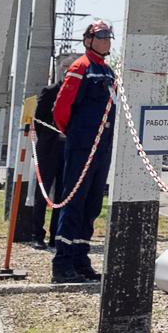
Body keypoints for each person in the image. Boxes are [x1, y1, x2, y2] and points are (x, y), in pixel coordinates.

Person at [51, 20, 116, 284]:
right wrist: (78, 134)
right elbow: (61, 108)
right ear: (88, 39)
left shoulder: (108, 71)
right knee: (74, 202)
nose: (106, 40)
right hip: (82, 145)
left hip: (103, 146)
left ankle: (80, 258)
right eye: (101, 35)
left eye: (109, 36)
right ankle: (63, 262)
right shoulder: (80, 68)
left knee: (91, 205)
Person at [29, 78, 64, 250]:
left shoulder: (81, 91)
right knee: (42, 192)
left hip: (67, 148)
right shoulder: (50, 91)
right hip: (48, 148)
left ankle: (56, 234)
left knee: (63, 194)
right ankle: (37, 234)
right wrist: (46, 137)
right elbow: (38, 118)